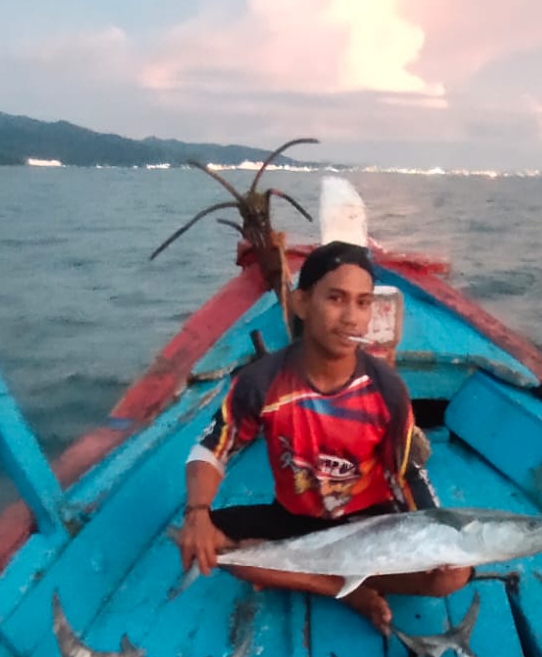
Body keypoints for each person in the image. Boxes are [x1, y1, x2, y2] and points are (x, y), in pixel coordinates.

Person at [175, 240, 472, 632]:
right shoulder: (262, 382)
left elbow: (407, 474)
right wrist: (197, 512)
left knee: (452, 574)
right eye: (336, 298)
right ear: (301, 303)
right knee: (199, 539)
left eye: (363, 302)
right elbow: (213, 448)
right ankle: (342, 588)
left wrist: (436, 535)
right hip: (296, 520)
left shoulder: (386, 389)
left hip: (370, 525)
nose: (351, 317)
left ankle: (314, 575)